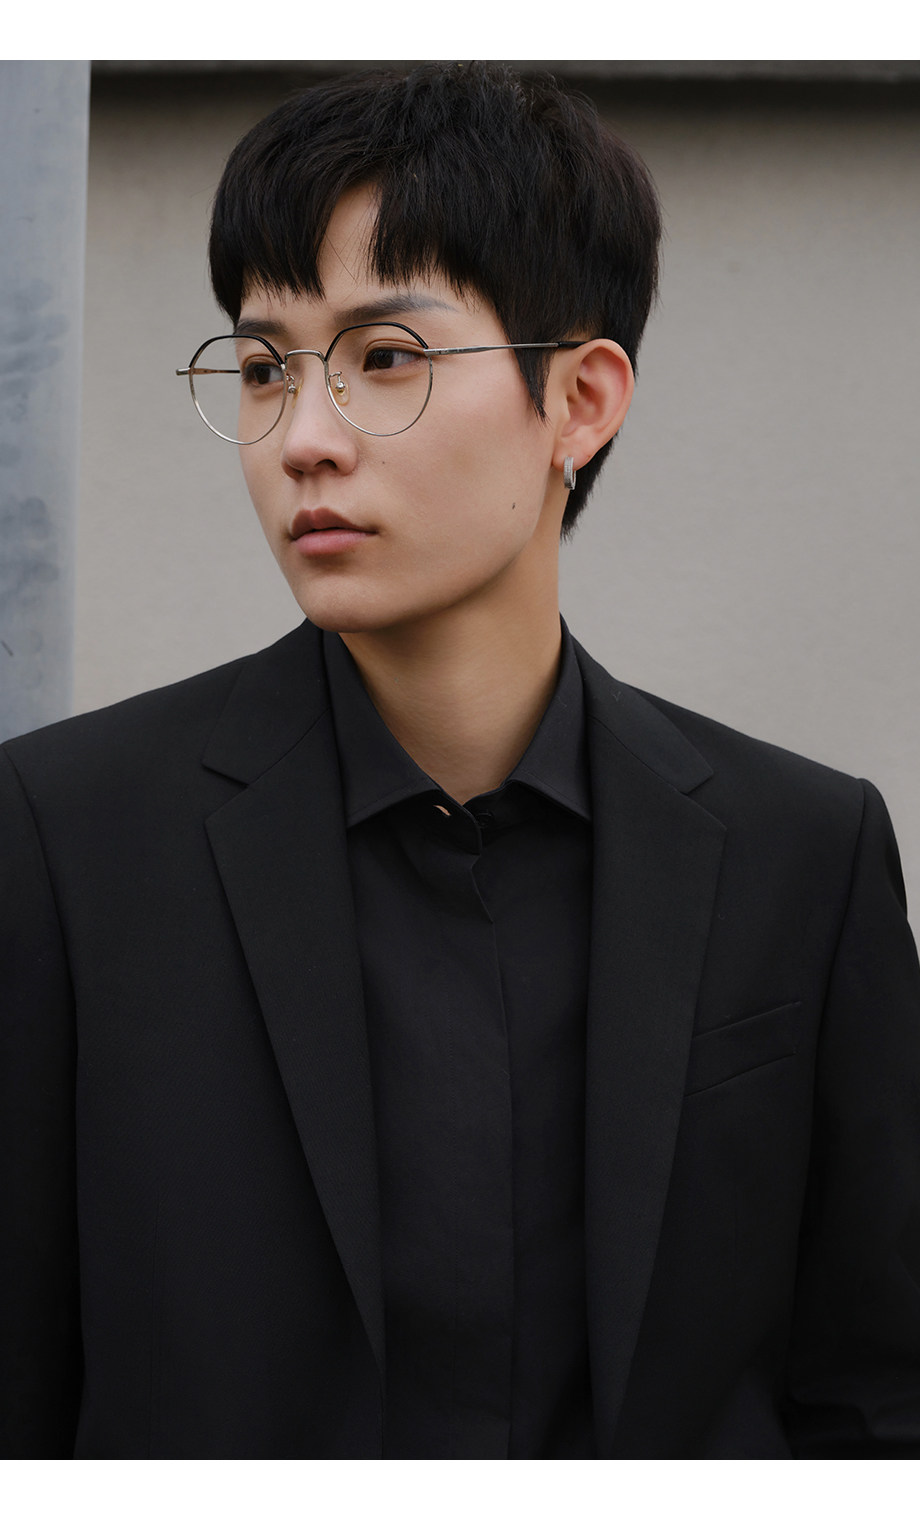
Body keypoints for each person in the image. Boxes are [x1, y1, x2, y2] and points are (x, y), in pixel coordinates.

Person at [2, 61, 919, 1460]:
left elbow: (876, 1401)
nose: (304, 441)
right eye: (263, 369)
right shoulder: (69, 841)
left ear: (582, 401)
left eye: (386, 357)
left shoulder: (806, 853)